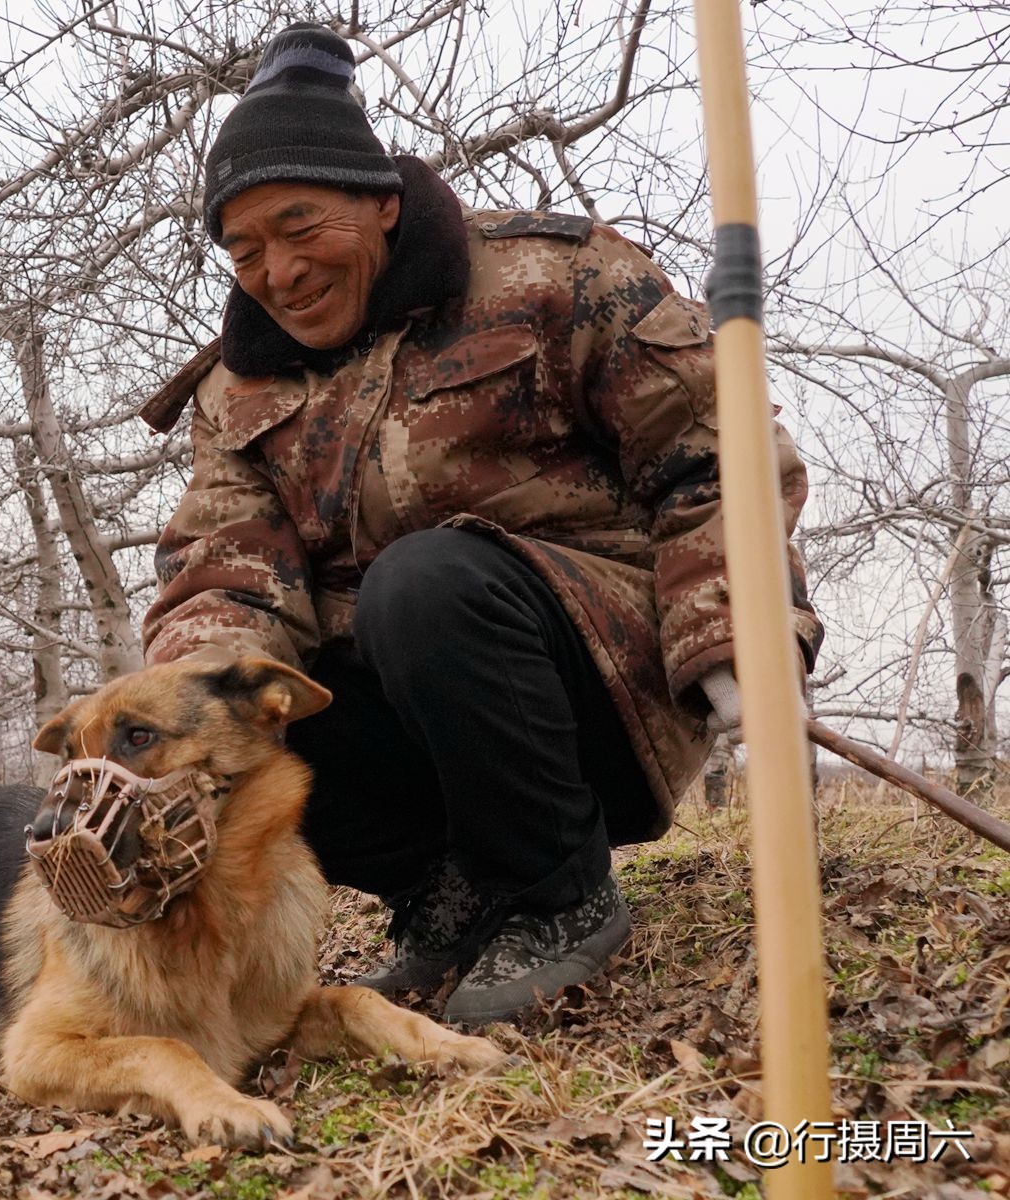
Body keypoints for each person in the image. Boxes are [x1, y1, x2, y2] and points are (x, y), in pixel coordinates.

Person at [139, 23, 821, 1024]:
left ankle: (558, 897)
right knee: (251, 707)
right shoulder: (237, 390)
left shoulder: (553, 277)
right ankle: (449, 900)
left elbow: (714, 454)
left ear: (380, 202)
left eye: (299, 226)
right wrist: (173, 735)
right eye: (246, 251)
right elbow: (227, 574)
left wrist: (737, 642)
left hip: (605, 687)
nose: (278, 271)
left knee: (423, 585)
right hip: (418, 717)